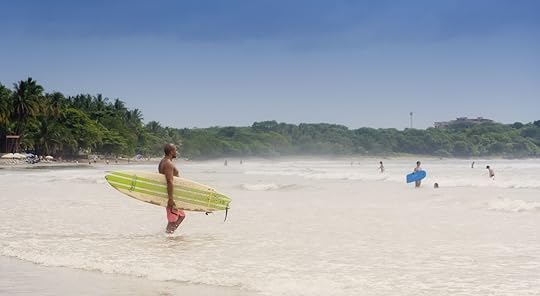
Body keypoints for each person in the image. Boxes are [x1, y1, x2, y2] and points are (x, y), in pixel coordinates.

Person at [158, 143, 185, 234]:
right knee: (173, 219)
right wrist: (170, 199)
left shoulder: (164, 161)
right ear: (171, 152)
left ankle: (169, 235)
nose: (176, 152)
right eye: (175, 150)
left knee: (181, 215)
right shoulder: (168, 163)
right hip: (170, 195)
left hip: (173, 195)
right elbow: (169, 181)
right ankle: (168, 237)